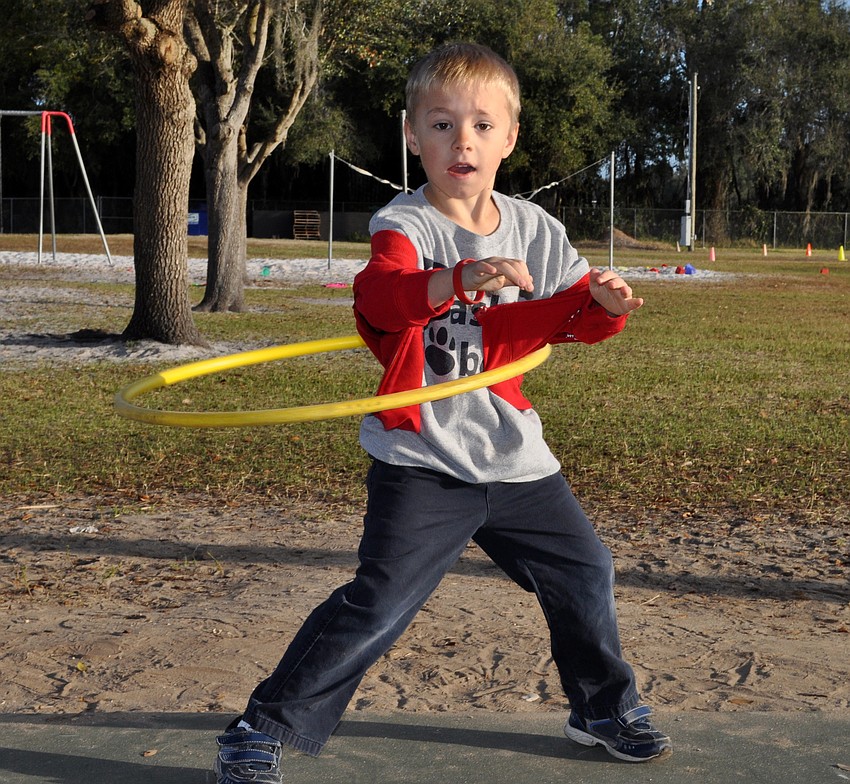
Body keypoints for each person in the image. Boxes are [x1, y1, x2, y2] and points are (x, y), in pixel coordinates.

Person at [213, 42, 671, 784]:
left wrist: (610, 308)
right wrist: (458, 278)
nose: (464, 140)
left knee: (586, 571)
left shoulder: (536, 229)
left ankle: (600, 710)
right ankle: (260, 728)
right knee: (379, 603)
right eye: (442, 123)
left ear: (509, 138)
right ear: (410, 135)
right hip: (423, 458)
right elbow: (382, 299)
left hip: (514, 456)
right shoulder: (407, 224)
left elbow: (571, 318)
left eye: (483, 125)